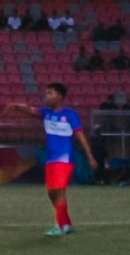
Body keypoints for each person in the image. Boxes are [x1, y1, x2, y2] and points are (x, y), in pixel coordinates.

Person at [34, 82, 99, 235]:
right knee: (52, 193)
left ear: (60, 97)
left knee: (58, 190)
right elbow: (30, 111)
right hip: (51, 160)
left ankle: (59, 226)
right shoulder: (46, 113)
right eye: (47, 93)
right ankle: (66, 223)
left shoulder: (70, 114)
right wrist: (16, 106)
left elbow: (81, 137)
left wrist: (90, 157)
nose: (47, 96)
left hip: (64, 159)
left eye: (50, 93)